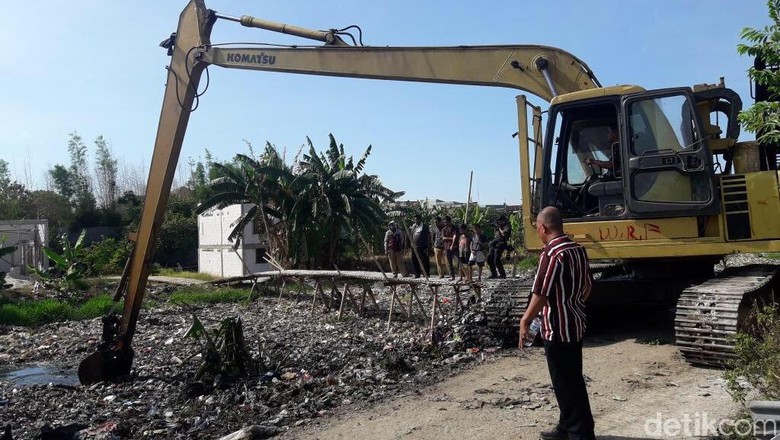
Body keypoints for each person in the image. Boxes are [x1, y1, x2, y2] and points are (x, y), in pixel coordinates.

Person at [519, 206, 595, 440]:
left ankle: (579, 433)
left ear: (543, 228)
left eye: (538, 229)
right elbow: (588, 287)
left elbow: (541, 294)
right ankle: (566, 427)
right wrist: (572, 305)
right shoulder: (577, 250)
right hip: (575, 325)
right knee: (573, 378)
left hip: (558, 330)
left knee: (565, 384)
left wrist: (525, 321)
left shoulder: (552, 254)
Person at [410, 214, 431, 278]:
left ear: (420, 219)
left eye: (417, 219)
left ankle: (426, 274)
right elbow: (411, 235)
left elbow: (428, 236)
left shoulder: (424, 226)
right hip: (414, 247)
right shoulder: (413, 226)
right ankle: (417, 274)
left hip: (423, 246)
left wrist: (429, 246)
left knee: (424, 260)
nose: (416, 220)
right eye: (415, 219)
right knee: (415, 260)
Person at [441, 216, 457, 280]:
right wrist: (451, 238)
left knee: (459, 262)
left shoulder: (455, 228)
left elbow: (455, 236)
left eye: (446, 222)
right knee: (449, 262)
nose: (445, 223)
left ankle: (464, 275)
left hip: (455, 247)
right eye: (444, 222)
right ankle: (452, 276)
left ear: (449, 221)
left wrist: (452, 243)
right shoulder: (444, 229)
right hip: (447, 247)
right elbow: (443, 238)